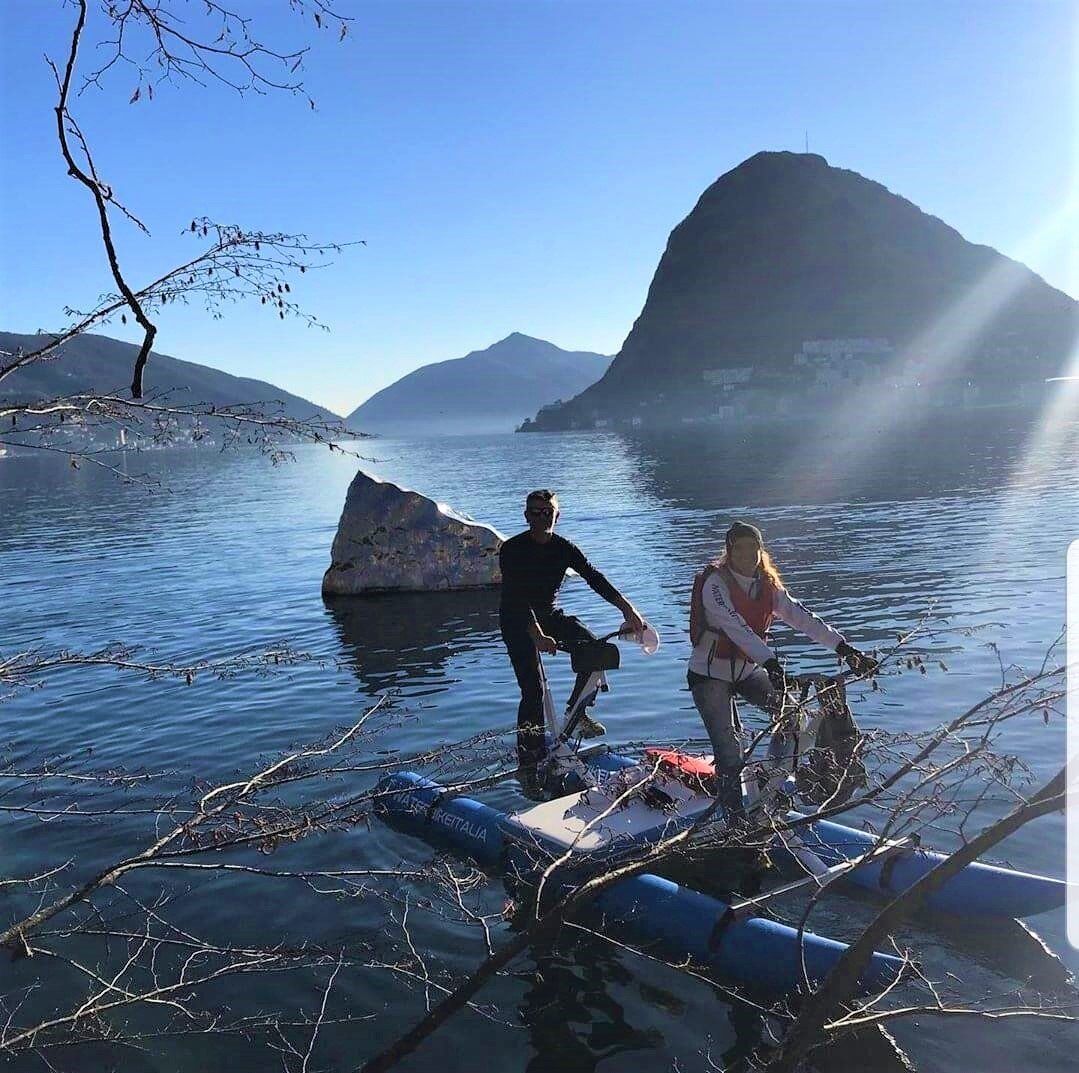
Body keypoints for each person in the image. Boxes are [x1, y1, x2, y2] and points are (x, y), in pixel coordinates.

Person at [688, 520, 877, 819]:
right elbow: (735, 627)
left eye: (753, 547)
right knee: (728, 751)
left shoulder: (768, 586)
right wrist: (771, 664)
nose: (747, 554)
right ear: (729, 551)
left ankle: (769, 783)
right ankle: (735, 821)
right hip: (710, 675)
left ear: (761, 550)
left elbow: (802, 617)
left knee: (792, 716)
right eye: (740, 548)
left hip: (748, 671)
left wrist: (845, 649)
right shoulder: (715, 584)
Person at [500, 489, 646, 771]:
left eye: (548, 512)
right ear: (526, 515)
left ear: (557, 515)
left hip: (550, 614)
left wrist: (628, 609)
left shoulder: (564, 547)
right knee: (533, 690)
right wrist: (537, 635)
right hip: (517, 619)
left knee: (596, 651)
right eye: (535, 512)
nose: (542, 518)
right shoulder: (512, 549)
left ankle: (576, 713)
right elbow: (515, 596)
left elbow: (594, 577)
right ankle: (529, 758)